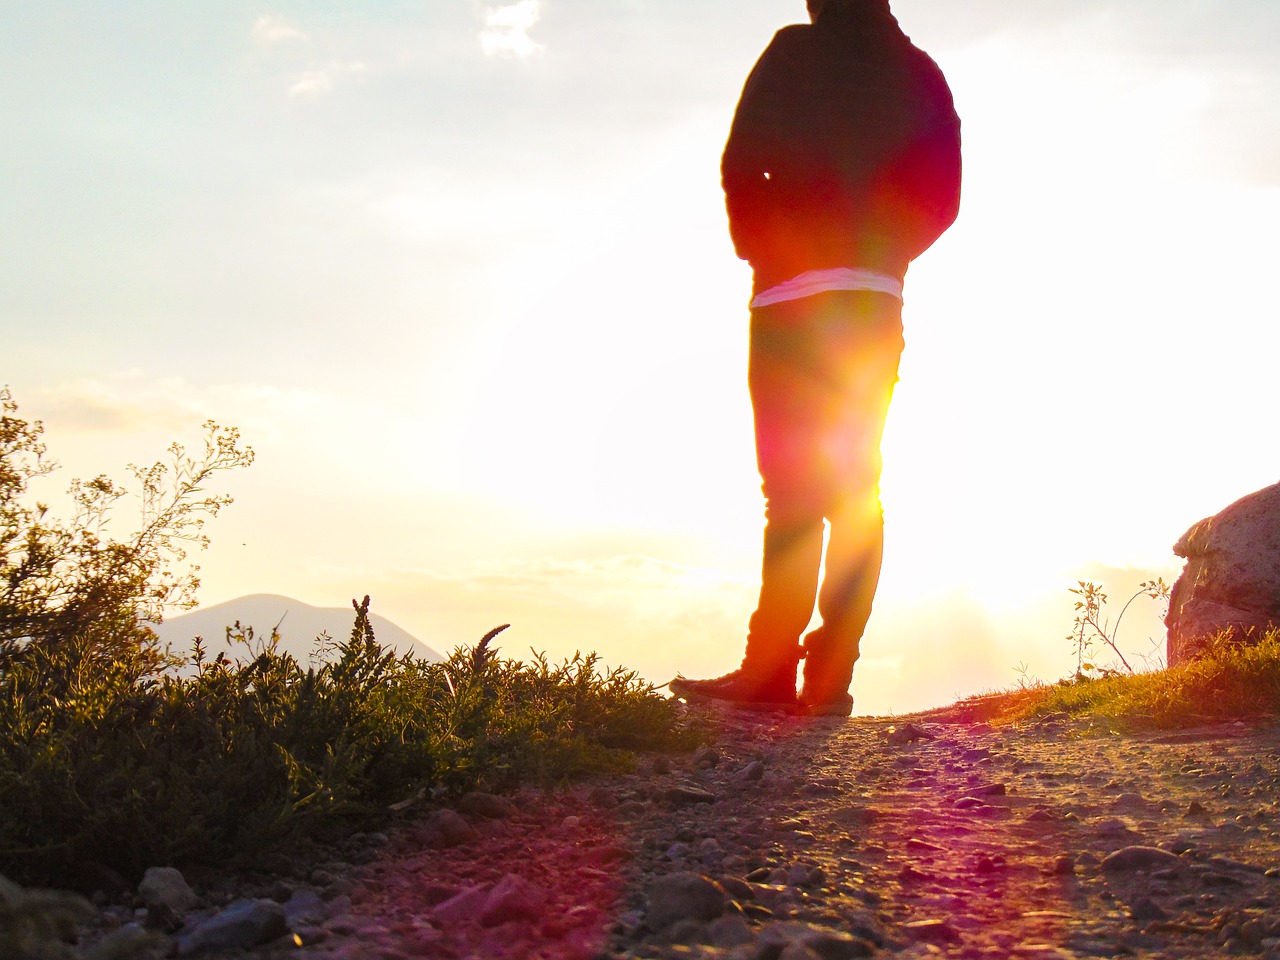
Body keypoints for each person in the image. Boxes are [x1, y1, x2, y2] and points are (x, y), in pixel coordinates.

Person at [670, 0, 961, 716]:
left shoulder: (791, 53)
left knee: (792, 492)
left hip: (789, 298)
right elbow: (943, 196)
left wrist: (762, 245)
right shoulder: (920, 74)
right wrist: (884, 256)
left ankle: (767, 675)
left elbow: (742, 159)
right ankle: (828, 677)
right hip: (870, 300)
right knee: (857, 485)